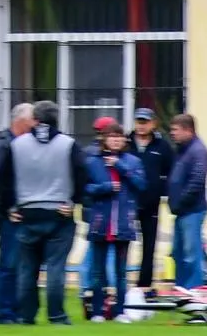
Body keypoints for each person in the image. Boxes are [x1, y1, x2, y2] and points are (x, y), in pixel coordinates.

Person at [10, 100, 86, 325]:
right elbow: (81, 175)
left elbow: (6, 177)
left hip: (27, 211)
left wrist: (11, 205)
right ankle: (56, 315)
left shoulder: (17, 144)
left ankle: (26, 315)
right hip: (58, 212)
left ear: (35, 119)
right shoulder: (68, 144)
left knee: (27, 269)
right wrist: (74, 201)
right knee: (55, 267)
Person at [80, 118, 144, 322]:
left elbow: (141, 185)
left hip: (123, 223)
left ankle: (119, 311)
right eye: (111, 137)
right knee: (97, 272)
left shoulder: (133, 161)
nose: (116, 141)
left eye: (119, 137)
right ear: (104, 139)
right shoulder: (93, 162)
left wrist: (121, 167)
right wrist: (105, 187)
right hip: (101, 222)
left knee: (121, 272)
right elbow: (85, 190)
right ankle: (98, 311)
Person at [0, 103, 35, 325]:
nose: (36, 124)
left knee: (24, 264)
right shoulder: (4, 146)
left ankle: (19, 311)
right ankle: (6, 313)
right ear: (21, 121)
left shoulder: (24, 145)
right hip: (10, 215)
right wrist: (4, 211)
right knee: (9, 264)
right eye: (33, 119)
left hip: (25, 213)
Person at [128, 108, 175, 290]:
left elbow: (171, 171)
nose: (141, 126)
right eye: (138, 122)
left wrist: (161, 190)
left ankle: (144, 285)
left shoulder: (162, 146)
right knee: (123, 244)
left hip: (151, 203)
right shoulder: (126, 142)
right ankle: (120, 284)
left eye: (145, 122)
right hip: (128, 203)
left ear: (153, 123)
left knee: (149, 246)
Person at [166, 113, 207, 289]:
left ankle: (194, 291)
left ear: (188, 130)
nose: (172, 133)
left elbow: (197, 182)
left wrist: (179, 203)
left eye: (175, 130)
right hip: (181, 211)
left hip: (192, 210)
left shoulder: (198, 151)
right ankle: (181, 289)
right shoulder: (181, 150)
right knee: (178, 252)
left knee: (192, 254)